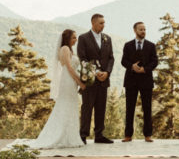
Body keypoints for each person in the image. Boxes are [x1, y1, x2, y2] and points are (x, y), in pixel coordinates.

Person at [29, 30, 87, 149]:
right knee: (65, 106)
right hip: (68, 81)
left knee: (70, 106)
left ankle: (69, 136)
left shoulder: (70, 49)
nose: (76, 40)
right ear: (67, 38)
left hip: (71, 81)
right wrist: (80, 82)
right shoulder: (65, 48)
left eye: (76, 38)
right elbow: (70, 68)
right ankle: (61, 136)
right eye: (73, 38)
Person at [77, 13, 115, 144]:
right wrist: (96, 72)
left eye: (104, 23)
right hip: (90, 80)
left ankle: (99, 135)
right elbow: (82, 58)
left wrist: (107, 73)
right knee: (87, 107)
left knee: (101, 108)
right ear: (93, 23)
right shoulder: (83, 38)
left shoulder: (107, 38)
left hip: (104, 80)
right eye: (101, 23)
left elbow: (111, 58)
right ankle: (83, 135)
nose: (103, 25)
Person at [121, 21, 158, 142]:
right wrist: (132, 66)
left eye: (144, 29)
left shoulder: (151, 46)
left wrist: (144, 69)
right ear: (135, 30)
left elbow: (155, 61)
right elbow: (123, 61)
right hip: (131, 81)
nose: (143, 32)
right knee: (129, 108)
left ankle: (148, 135)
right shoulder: (128, 45)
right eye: (141, 29)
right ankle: (128, 135)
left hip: (146, 80)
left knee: (147, 108)